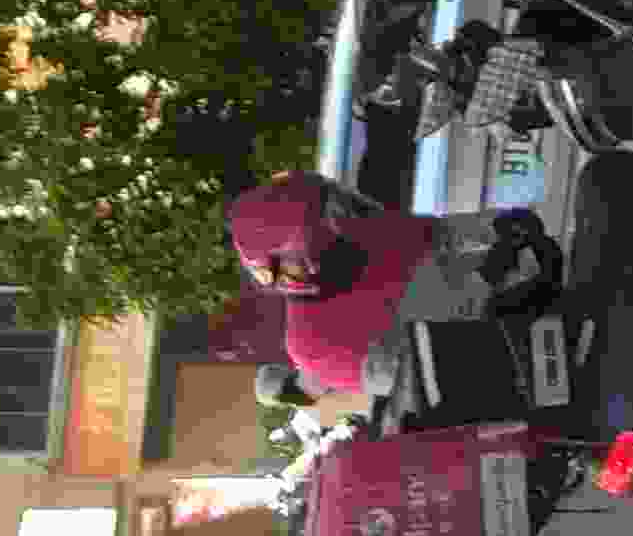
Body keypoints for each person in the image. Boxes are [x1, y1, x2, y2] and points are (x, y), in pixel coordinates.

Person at [223, 169, 555, 407]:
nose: (348, 213)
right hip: (512, 374)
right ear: (309, 252)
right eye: (333, 214)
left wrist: (498, 222)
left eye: (336, 202)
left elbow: (444, 232)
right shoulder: (314, 344)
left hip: (534, 301)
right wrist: (485, 280)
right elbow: (421, 375)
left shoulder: (369, 232)